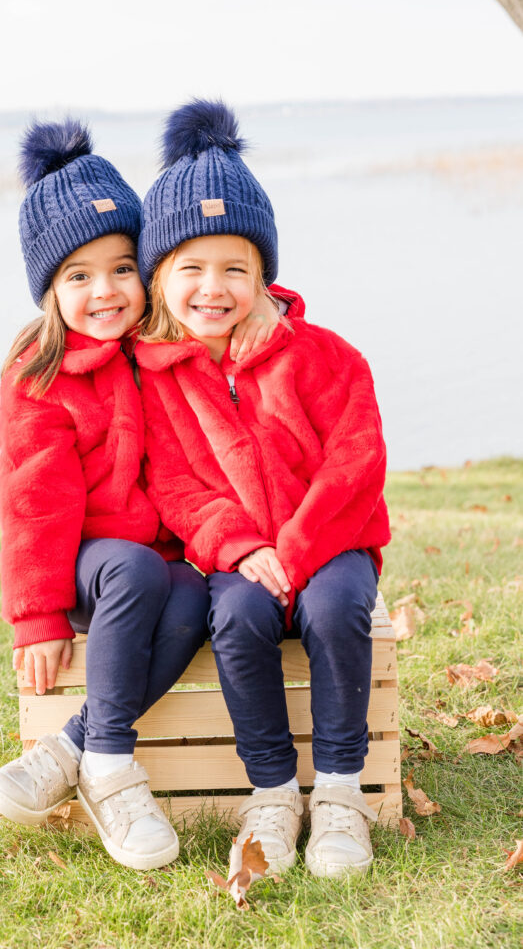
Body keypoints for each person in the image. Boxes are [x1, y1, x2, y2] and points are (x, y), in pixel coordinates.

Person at [0, 117, 284, 871]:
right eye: (77, 277)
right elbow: (32, 506)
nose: (104, 290)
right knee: (137, 568)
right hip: (92, 570)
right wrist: (38, 617)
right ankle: (112, 769)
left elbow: (230, 293)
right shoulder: (39, 371)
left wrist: (270, 303)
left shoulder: (162, 347)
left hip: (162, 567)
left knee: (187, 593)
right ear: (49, 289)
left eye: (121, 268)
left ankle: (70, 750)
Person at [135, 99, 392, 879]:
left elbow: (355, 461)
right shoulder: (161, 376)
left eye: (236, 270)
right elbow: (173, 483)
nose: (213, 288)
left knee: (333, 606)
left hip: (330, 545)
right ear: (159, 278)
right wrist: (241, 547)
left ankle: (342, 795)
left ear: (264, 278)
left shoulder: (323, 356)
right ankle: (274, 793)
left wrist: (300, 547)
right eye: (192, 269)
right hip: (240, 559)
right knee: (238, 617)